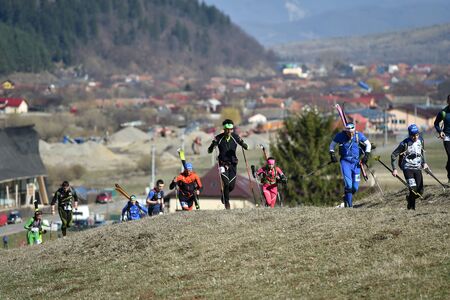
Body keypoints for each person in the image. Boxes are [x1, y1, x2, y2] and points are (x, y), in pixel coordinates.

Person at [207, 119, 249, 209]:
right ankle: (227, 203)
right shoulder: (218, 138)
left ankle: (224, 194)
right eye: (227, 129)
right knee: (226, 183)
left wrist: (244, 145)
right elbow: (209, 151)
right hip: (222, 164)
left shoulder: (235, 137)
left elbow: (244, 145)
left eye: (231, 129)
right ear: (224, 129)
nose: (229, 131)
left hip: (233, 164)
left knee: (231, 186)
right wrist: (212, 145)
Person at [329, 122, 371, 208]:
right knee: (348, 185)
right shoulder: (340, 136)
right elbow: (332, 145)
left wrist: (366, 155)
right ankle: (350, 206)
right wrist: (332, 154)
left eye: (352, 132)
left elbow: (368, 144)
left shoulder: (358, 135)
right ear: (346, 131)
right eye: (348, 132)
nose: (350, 134)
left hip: (356, 164)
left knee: (355, 187)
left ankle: (346, 198)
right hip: (345, 162)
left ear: (354, 130)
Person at [391, 124, 429, 210]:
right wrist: (394, 169)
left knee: (420, 191)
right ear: (409, 134)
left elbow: (422, 153)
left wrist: (424, 163)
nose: (415, 137)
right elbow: (393, 155)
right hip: (407, 168)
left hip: (417, 168)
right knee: (413, 188)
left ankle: (409, 199)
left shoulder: (421, 141)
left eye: (417, 135)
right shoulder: (404, 143)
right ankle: (411, 209)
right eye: (413, 135)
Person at [433, 94, 450, 183]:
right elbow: (436, 123)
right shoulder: (443, 112)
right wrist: (440, 131)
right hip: (447, 137)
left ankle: (448, 167)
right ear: (448, 101)